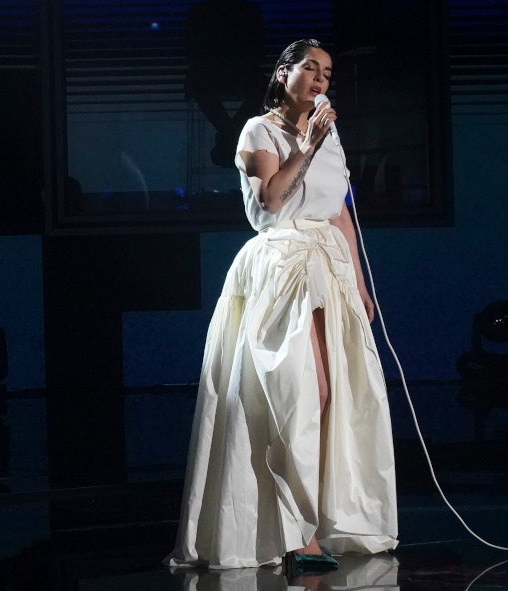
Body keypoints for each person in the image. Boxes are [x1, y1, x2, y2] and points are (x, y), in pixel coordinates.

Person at [164, 39, 398, 572]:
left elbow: (338, 211)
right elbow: (270, 201)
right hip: (282, 265)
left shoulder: (328, 133)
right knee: (297, 393)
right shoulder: (258, 130)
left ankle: (316, 522)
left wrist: (359, 282)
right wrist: (306, 148)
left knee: (337, 394)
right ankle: (294, 534)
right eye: (310, 68)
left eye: (327, 73)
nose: (320, 79)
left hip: (328, 267)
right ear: (283, 73)